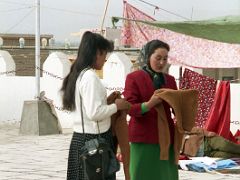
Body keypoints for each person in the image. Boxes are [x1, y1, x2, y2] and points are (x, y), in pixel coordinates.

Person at [61, 31, 130, 180]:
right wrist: (116, 106)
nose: (105, 59)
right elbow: (94, 113)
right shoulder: (90, 77)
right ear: (96, 53)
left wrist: (108, 101)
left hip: (81, 139)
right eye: (104, 54)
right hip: (94, 141)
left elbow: (88, 108)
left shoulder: (78, 74)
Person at [123, 39, 179, 180]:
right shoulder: (134, 78)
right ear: (148, 57)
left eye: (165, 59)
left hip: (166, 138)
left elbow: (176, 106)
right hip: (143, 138)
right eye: (158, 58)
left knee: (165, 176)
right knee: (141, 175)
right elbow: (130, 108)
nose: (161, 63)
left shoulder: (170, 80)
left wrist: (180, 112)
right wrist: (149, 104)